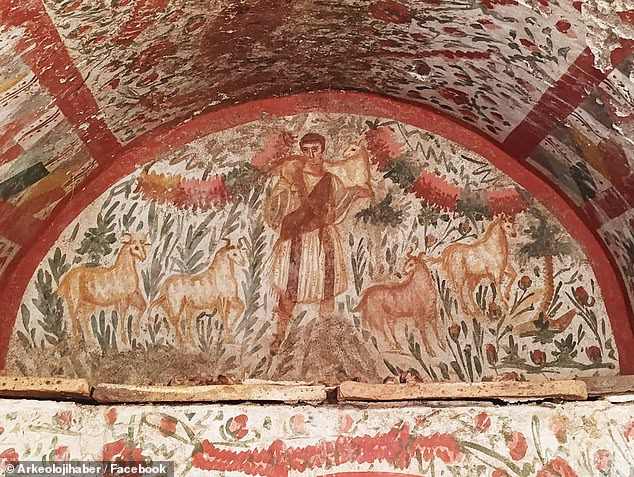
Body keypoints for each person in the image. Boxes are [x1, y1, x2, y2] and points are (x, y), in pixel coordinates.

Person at [263, 133, 363, 353]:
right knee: (290, 289)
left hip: (324, 238)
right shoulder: (293, 178)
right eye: (306, 150)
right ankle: (279, 336)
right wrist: (288, 193)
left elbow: (337, 210)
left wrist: (353, 195)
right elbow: (274, 208)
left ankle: (324, 338)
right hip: (297, 240)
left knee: (327, 288)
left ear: (323, 150)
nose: (311, 155)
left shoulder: (332, 180)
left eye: (315, 149)